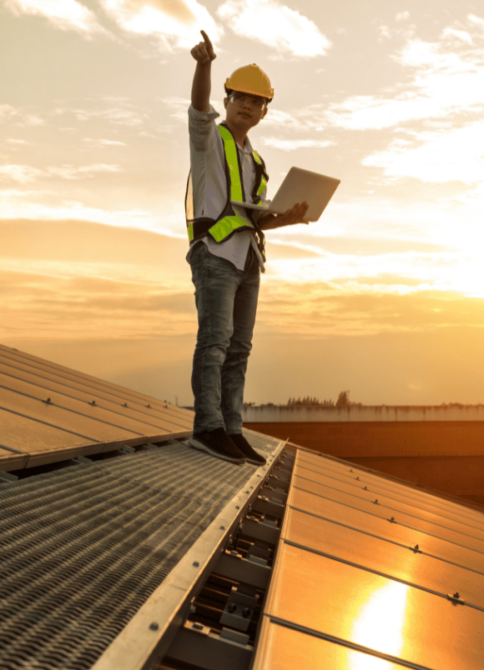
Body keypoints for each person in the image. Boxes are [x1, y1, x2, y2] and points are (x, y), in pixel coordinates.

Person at [186, 30, 308, 465]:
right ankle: (208, 427)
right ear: (228, 99)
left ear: (264, 112)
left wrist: (288, 217)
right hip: (215, 254)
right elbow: (198, 111)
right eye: (242, 97)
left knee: (239, 348)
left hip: (248, 259)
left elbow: (256, 219)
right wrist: (204, 64)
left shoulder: (256, 162)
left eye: (258, 102)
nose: (249, 106)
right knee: (215, 341)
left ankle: (232, 428)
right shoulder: (209, 141)